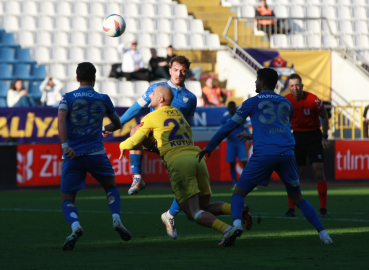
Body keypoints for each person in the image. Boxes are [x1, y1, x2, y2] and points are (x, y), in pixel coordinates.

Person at [197, 68, 333, 245]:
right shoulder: (286, 103)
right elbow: (278, 129)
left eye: (256, 80)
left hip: (264, 154)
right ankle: (324, 234)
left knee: (238, 194)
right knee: (298, 197)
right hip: (287, 153)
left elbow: (228, 127)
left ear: (261, 83)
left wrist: (209, 146)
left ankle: (237, 224)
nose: (255, 83)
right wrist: (254, 135)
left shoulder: (251, 102)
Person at [118, 85, 244, 247]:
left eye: (153, 94)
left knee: (193, 213)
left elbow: (135, 140)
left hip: (179, 162)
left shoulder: (150, 117)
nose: (150, 96)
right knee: (204, 206)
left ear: (161, 99)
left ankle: (227, 229)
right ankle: (238, 210)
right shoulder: (179, 114)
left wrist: (122, 146)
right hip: (197, 157)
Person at [58, 62, 131, 251]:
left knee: (67, 198)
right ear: (95, 78)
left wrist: (65, 146)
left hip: (73, 155)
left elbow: (60, 119)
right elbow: (117, 124)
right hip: (97, 154)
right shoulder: (103, 98)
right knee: (110, 187)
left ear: (77, 78)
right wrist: (104, 128)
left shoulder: (68, 97)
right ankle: (116, 219)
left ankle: (75, 227)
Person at [283, 73, 330, 218]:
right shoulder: (285, 101)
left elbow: (324, 116)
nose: (295, 88)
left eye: (297, 85)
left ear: (302, 86)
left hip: (314, 136)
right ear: (289, 87)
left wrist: (324, 136)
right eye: (292, 86)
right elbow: (281, 120)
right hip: (297, 137)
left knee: (318, 171)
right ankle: (291, 209)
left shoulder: (313, 100)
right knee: (294, 173)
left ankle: (323, 209)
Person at [220, 102, 248, 187]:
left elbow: (246, 129)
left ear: (236, 108)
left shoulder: (241, 117)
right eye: (230, 107)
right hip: (231, 144)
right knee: (232, 163)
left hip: (240, 142)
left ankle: (246, 181)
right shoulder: (225, 119)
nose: (232, 109)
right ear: (228, 108)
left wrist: (249, 140)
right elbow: (221, 130)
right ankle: (235, 182)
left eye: (233, 107)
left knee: (244, 162)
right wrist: (226, 134)